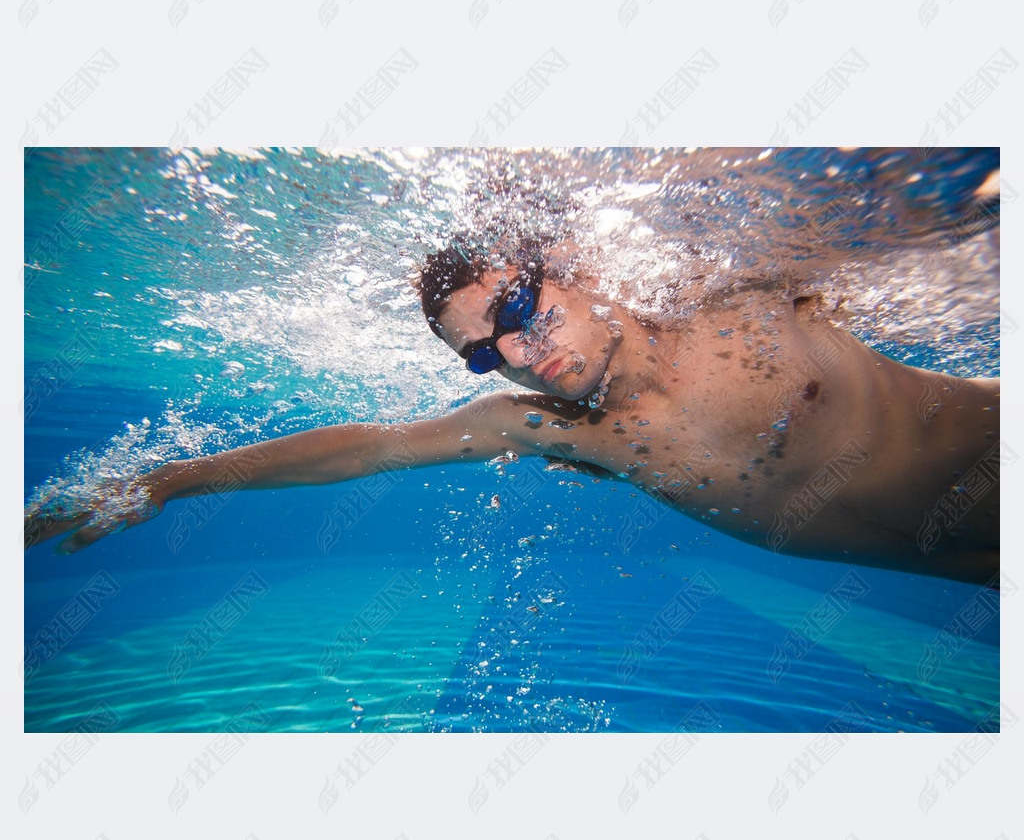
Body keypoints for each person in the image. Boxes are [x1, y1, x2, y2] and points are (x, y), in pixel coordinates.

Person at [24, 237, 999, 584]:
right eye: (485, 348)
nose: (518, 349)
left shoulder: (732, 297)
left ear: (573, 271)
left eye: (521, 309)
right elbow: (366, 449)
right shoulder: (553, 426)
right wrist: (168, 479)